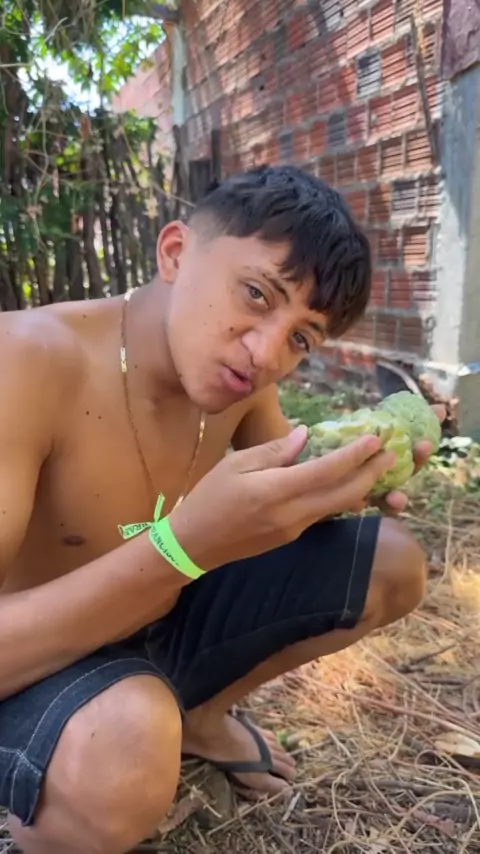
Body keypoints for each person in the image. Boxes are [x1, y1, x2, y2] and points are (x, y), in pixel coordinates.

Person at [0, 164, 443, 854]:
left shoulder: (239, 380)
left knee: (387, 561)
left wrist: (348, 478)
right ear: (176, 252)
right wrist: (183, 548)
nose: (266, 353)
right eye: (256, 294)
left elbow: (286, 500)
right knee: (125, 748)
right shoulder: (25, 361)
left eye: (301, 338)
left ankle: (200, 717)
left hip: (158, 620)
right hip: (32, 661)